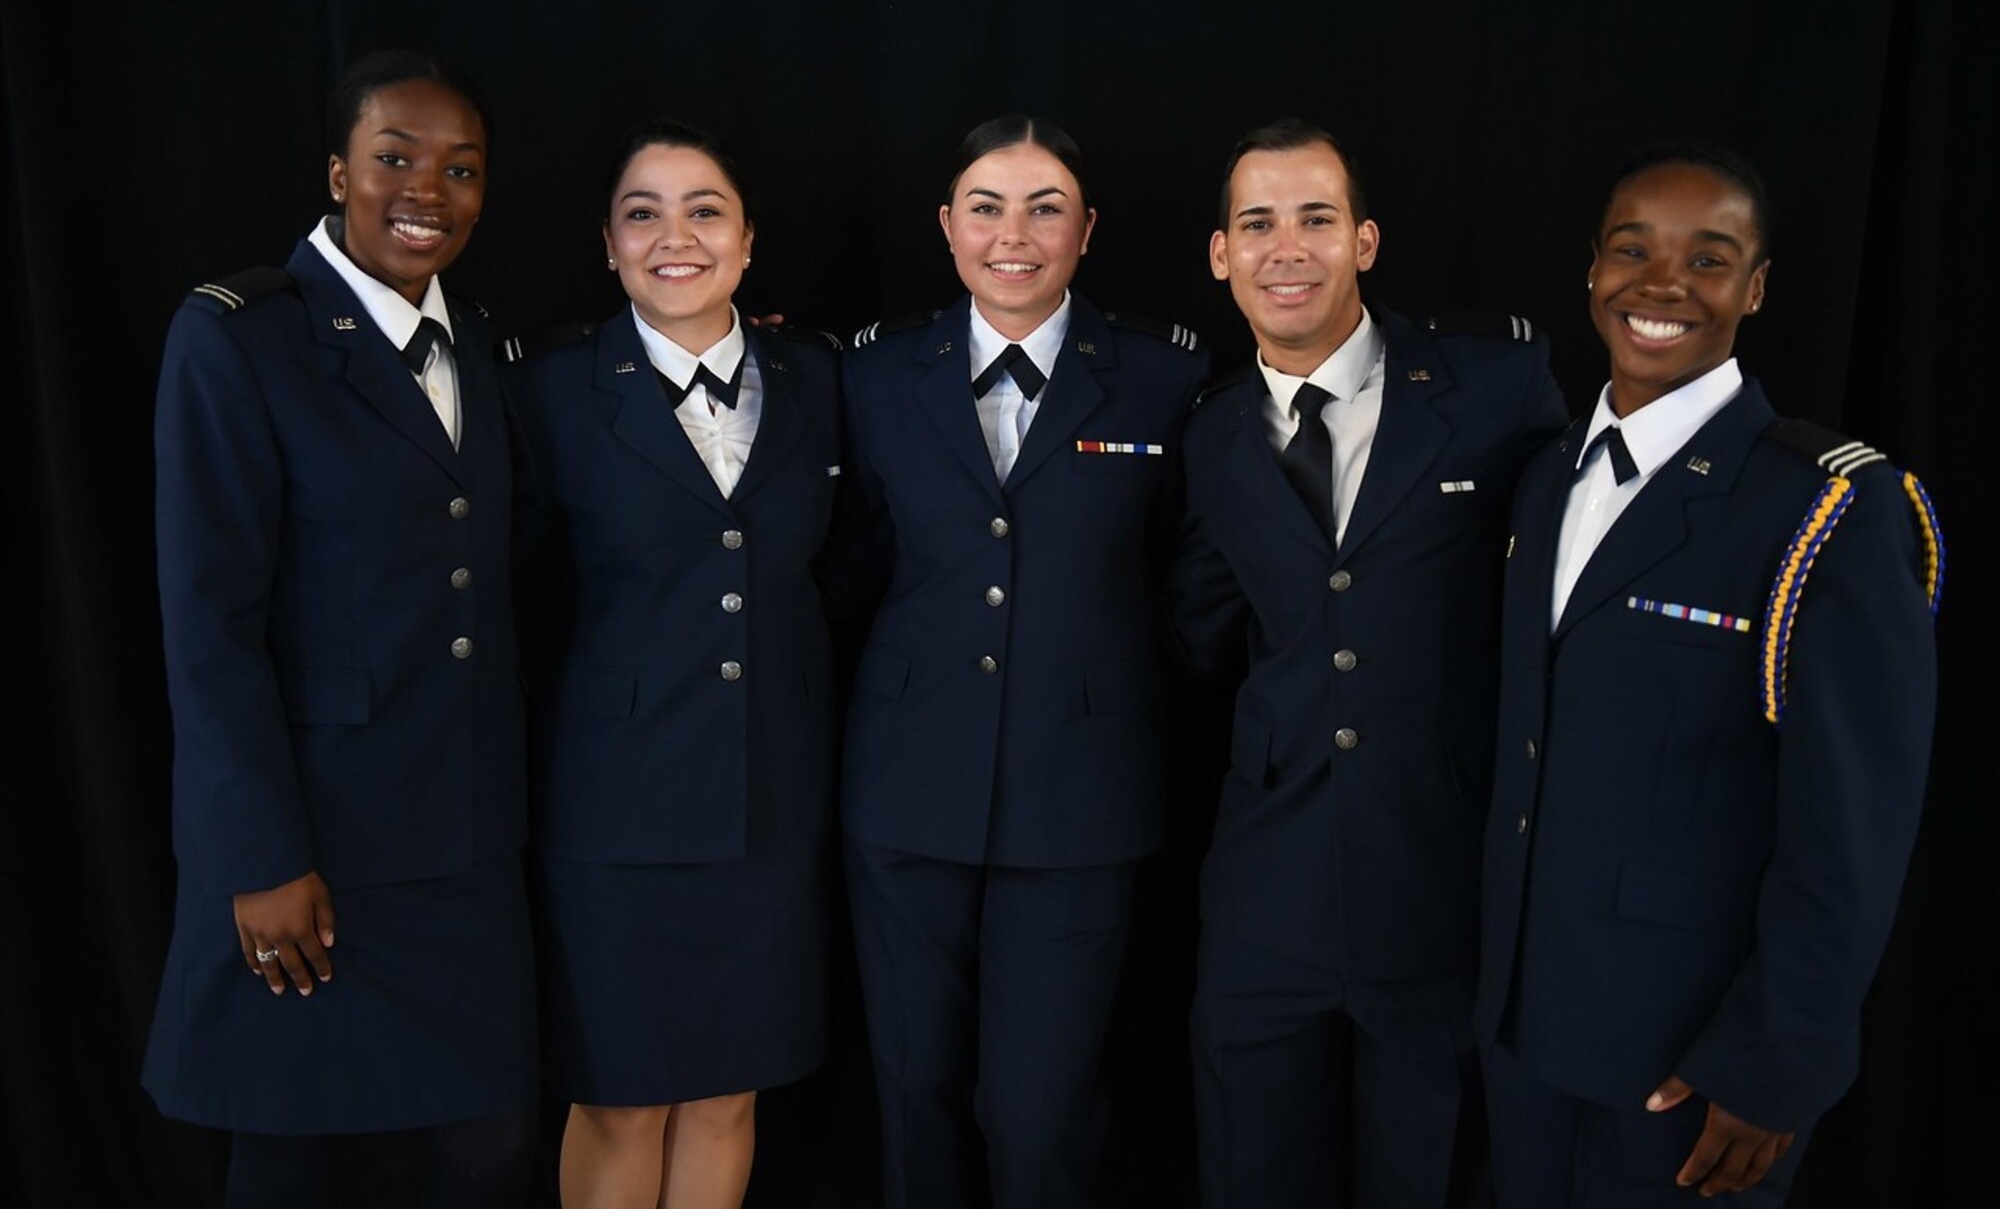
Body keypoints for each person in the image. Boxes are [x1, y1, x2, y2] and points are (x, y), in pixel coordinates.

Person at [1475, 143, 1944, 1205]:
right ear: (1591, 267)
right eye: (1631, 249)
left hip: (1687, 1059)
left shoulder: (1828, 512)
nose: (1661, 285)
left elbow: (1851, 827)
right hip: (1522, 1024)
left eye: (1707, 258)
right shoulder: (1545, 475)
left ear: (1755, 287)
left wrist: (1777, 1063)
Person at [143, 49, 537, 1207]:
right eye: (394, 158)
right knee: (290, 1155)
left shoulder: (482, 342)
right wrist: (258, 853)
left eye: (460, 168)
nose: (428, 189)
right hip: (318, 841)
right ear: (336, 172)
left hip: (463, 839)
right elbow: (208, 624)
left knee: (489, 1150)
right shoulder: (240, 338)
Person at [1170, 118, 1568, 1207]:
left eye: (1314, 219)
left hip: (1435, 883)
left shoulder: (1491, 385)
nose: (1283, 248)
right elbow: (1198, 633)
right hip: (1263, 893)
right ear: (1219, 253)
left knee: (1427, 1174)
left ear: (1365, 241)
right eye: (1255, 223)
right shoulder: (1206, 432)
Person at [836, 114, 1209, 1208]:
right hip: (903, 792)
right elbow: (847, 565)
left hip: (1079, 794)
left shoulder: (1158, 376)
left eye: (1045, 207)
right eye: (987, 206)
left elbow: (1192, 574)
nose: (1015, 233)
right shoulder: (868, 372)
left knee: (1040, 1111)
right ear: (946, 225)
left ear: (1086, 230)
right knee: (915, 1092)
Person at [505, 121, 841, 1209]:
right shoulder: (547, 390)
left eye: (703, 209)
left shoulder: (819, 377)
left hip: (770, 803)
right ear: (608, 245)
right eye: (641, 212)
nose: (674, 235)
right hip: (615, 812)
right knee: (621, 1096)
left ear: (746, 238)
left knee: (726, 1093)